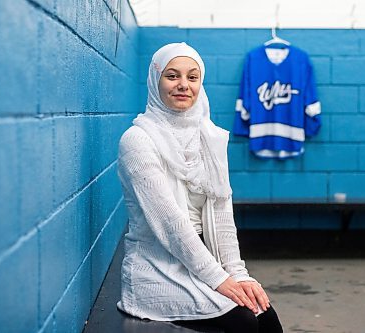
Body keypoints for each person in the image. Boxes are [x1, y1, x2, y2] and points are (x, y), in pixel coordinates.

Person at [116, 42, 283, 333]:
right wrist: (220, 280)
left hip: (206, 258)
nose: (183, 85)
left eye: (192, 77)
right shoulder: (138, 140)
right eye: (172, 76)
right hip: (158, 266)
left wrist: (238, 274)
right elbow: (170, 223)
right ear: (156, 81)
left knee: (265, 315)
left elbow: (221, 211)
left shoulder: (209, 136)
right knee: (242, 322)